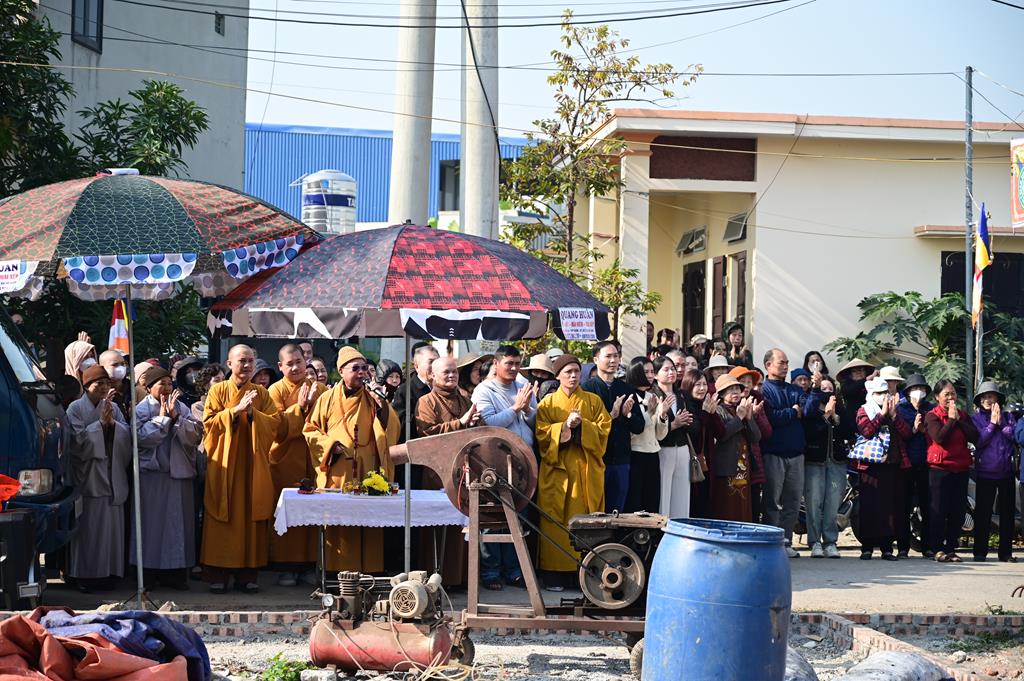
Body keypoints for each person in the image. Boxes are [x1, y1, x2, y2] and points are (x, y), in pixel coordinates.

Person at [303, 347, 400, 573]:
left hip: (369, 472)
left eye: (364, 368)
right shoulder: (326, 398)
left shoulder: (373, 397)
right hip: (338, 470)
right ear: (341, 371)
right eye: (355, 368)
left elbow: (392, 428)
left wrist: (382, 404)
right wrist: (330, 446)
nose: (361, 373)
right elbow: (310, 430)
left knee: (368, 521)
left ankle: (369, 573)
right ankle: (334, 574)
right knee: (339, 523)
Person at [201, 344, 282, 594]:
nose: (246, 365)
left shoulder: (261, 393)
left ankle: (248, 576)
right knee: (221, 515)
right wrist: (234, 412)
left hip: (251, 465)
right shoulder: (217, 391)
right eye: (241, 361)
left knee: (250, 514)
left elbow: (274, 425)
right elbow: (208, 424)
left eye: (250, 361)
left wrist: (253, 414)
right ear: (229, 364)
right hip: (224, 465)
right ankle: (218, 575)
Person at [535, 354, 611, 591]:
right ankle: (554, 575)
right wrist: (565, 427)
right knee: (555, 521)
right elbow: (542, 436)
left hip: (585, 469)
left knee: (585, 520)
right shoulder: (547, 404)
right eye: (567, 372)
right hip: (558, 469)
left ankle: (583, 572)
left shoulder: (593, 401)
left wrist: (583, 427)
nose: (573, 376)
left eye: (576, 371)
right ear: (557, 376)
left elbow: (604, 430)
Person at [132, 367, 202, 590]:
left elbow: (195, 435)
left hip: (178, 474)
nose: (166, 388)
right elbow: (140, 439)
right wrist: (162, 419)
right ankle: (149, 574)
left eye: (169, 383)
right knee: (151, 526)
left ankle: (176, 574)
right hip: (152, 476)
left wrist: (177, 418)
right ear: (149, 387)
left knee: (177, 526)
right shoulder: (141, 409)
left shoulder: (181, 407)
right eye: (161, 383)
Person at [471, 345, 535, 589]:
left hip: (523, 459)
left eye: (517, 363)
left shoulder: (523, 386)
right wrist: (516, 408)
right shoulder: (484, 390)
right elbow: (490, 424)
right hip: (494, 460)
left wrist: (527, 410)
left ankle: (515, 570)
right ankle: (491, 572)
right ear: (496, 364)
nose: (514, 368)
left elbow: (536, 421)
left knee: (519, 516)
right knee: (493, 516)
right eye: (509, 363)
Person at [415, 356, 480, 586]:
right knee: (436, 526)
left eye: (454, 372)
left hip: (463, 470)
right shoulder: (426, 401)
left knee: (461, 526)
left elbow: (475, 431)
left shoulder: (465, 400)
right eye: (446, 372)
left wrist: (475, 423)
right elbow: (427, 433)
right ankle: (433, 579)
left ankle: (459, 578)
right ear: (432, 375)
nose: (452, 375)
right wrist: (460, 423)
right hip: (437, 472)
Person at [66, 366, 131, 592]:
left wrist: (112, 426)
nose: (104, 387)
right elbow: (76, 443)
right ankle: (86, 575)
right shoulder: (75, 408)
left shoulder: (113, 407)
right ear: (86, 386)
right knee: (90, 528)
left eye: (106, 383)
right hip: (90, 475)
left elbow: (126, 436)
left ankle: (110, 573)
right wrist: (100, 425)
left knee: (112, 529)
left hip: (112, 474)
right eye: (98, 384)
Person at [268, 344, 326, 586]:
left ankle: (310, 564)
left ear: (306, 362)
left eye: (298, 362)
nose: (295, 368)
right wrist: (299, 408)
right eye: (289, 364)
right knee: (288, 511)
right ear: (280, 366)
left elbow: (328, 421)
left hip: (314, 459)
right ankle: (286, 567)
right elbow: (276, 428)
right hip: (285, 459)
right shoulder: (275, 390)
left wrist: (312, 407)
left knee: (313, 511)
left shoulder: (320, 389)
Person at [761, 348, 820, 558]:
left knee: (793, 501)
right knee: (772, 502)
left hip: (796, 454)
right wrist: (793, 412)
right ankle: (771, 542)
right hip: (773, 453)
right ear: (768, 365)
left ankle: (786, 540)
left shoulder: (794, 389)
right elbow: (772, 418)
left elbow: (809, 411)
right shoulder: (764, 390)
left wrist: (815, 390)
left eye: (787, 363)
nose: (785, 366)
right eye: (781, 363)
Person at [582, 341, 645, 513]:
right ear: (596, 359)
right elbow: (585, 427)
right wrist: (612, 415)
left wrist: (627, 415)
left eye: (616, 356)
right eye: (608, 356)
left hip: (621, 459)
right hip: (596, 459)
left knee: (617, 510)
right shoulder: (587, 390)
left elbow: (639, 426)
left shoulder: (626, 389)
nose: (613, 360)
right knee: (595, 510)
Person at [853, 377, 912, 560]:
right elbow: (866, 431)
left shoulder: (896, 411)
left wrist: (893, 416)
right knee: (869, 506)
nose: (883, 396)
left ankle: (887, 548)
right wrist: (882, 415)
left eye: (885, 392)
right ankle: (867, 547)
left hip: (892, 466)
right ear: (871, 394)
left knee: (889, 508)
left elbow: (907, 433)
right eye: (879, 393)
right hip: (870, 468)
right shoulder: (864, 410)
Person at [924, 379, 979, 563]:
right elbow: (940, 438)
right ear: (937, 397)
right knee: (939, 510)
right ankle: (937, 548)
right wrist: (951, 420)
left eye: (953, 393)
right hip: (939, 469)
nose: (950, 397)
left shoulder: (962, 415)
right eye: (946, 394)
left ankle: (951, 548)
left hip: (960, 468)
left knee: (957, 511)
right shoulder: (932, 416)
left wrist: (958, 420)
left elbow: (975, 436)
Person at [970, 381, 1018, 563]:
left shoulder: (1008, 416)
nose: (987, 400)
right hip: (985, 473)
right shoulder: (976, 419)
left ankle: (1005, 553)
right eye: (984, 397)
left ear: (998, 398)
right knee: (983, 514)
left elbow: (1014, 436)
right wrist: (991, 424)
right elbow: (979, 441)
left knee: (1007, 515)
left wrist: (1001, 423)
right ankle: (979, 552)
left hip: (1006, 472)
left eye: (990, 396)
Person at [802, 377, 845, 559]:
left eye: (829, 388)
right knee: (813, 502)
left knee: (833, 503)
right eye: (823, 388)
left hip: (836, 462)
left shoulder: (840, 409)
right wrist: (825, 417)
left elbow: (849, 431)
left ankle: (830, 541)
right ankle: (814, 542)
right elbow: (808, 434)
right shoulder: (811, 409)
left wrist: (835, 418)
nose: (826, 391)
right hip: (814, 461)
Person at [709, 374, 760, 522]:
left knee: (743, 504)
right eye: (730, 389)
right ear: (722, 394)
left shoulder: (741, 409)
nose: (735, 392)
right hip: (726, 467)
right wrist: (738, 418)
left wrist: (749, 419)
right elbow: (722, 435)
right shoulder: (718, 410)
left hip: (743, 466)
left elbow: (756, 437)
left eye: (737, 389)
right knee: (727, 505)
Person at [894, 373, 933, 558]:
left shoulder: (930, 409)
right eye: (915, 388)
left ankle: (927, 546)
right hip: (905, 463)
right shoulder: (900, 409)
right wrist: (913, 429)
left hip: (926, 463)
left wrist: (923, 430)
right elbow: (899, 434)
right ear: (908, 391)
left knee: (927, 506)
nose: (918, 391)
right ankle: (903, 547)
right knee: (904, 506)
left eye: (921, 388)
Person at [648, 358, 692, 518]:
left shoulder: (682, 395)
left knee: (682, 494)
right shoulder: (652, 396)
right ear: (656, 375)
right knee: (663, 493)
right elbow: (651, 427)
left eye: (672, 368)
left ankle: (680, 526)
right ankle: (661, 527)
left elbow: (693, 421)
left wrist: (686, 421)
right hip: (663, 448)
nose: (671, 372)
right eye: (666, 369)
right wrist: (674, 424)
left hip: (682, 447)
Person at [625, 357, 666, 513]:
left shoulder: (652, 397)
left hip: (653, 454)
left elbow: (660, 435)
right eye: (646, 372)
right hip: (635, 453)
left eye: (652, 371)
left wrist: (663, 417)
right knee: (635, 501)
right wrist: (648, 413)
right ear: (635, 372)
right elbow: (635, 429)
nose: (650, 375)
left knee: (652, 500)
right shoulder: (628, 397)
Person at [731, 366, 771, 523]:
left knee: (753, 508)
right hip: (734, 465)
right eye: (742, 382)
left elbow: (766, 433)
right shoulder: (725, 405)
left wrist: (755, 416)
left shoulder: (757, 401)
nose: (746, 386)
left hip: (753, 464)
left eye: (749, 382)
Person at [393, 343, 439, 443]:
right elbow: (400, 424)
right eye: (431, 362)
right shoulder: (405, 390)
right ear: (417, 366)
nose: (435, 366)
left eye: (437, 362)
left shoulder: (444, 388)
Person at [97, 350, 132, 420]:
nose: (121, 368)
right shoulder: (97, 392)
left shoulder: (134, 388)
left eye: (123, 364)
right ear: (102, 367)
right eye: (115, 365)